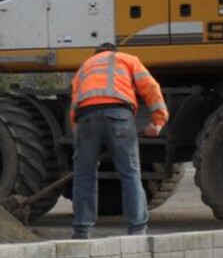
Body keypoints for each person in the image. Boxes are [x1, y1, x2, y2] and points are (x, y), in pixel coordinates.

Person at [69, 43, 168, 239]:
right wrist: (157, 122)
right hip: (119, 115)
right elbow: (151, 88)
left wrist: (79, 137)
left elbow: (74, 104)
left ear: (96, 54)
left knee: (84, 176)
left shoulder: (85, 67)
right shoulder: (127, 59)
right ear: (114, 52)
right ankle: (137, 229)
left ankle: (82, 231)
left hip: (86, 117)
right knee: (130, 173)